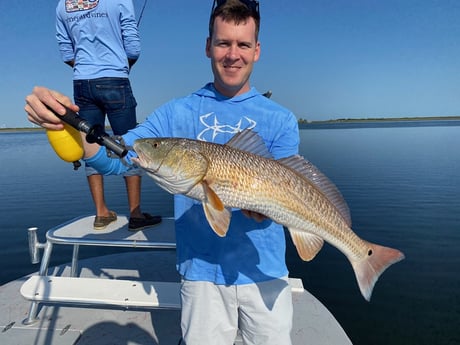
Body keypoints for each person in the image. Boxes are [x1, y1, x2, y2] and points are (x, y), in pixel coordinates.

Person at [25, 0, 299, 343]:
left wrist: (263, 210)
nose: (232, 54)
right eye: (223, 43)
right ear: (207, 46)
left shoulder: (282, 120)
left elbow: (289, 192)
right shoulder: (174, 113)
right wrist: (67, 120)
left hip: (265, 272)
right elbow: (118, 156)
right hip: (200, 274)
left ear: (256, 50)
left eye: (243, 44)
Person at [55, 0, 161, 230]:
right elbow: (133, 47)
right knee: (129, 144)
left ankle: (101, 212)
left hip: (82, 82)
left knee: (90, 143)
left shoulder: (63, 5)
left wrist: (87, 67)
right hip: (115, 79)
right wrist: (121, 67)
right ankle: (135, 214)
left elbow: (66, 51)